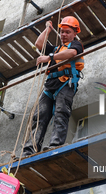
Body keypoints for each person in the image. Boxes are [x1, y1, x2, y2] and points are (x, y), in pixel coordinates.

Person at [22, 16, 84, 157]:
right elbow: (39, 44)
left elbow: (72, 53)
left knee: (61, 112)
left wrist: (49, 58)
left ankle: (55, 145)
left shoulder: (76, 45)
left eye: (67, 32)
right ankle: (29, 150)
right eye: (62, 32)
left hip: (65, 83)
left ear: (75, 33)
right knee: (39, 117)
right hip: (50, 86)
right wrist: (48, 29)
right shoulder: (57, 49)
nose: (63, 34)